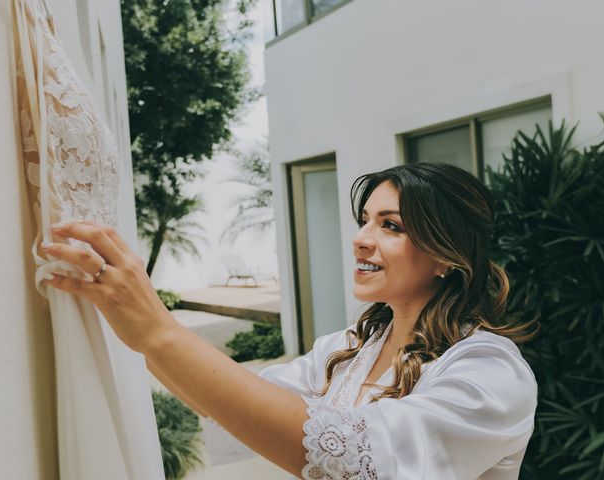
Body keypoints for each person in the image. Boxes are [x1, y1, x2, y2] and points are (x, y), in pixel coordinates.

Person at [40, 162, 539, 479]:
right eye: (364, 220)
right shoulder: (347, 348)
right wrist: (135, 332)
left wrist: (158, 330)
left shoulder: (487, 371)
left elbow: (358, 460)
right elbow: (227, 404)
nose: (362, 238)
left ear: (447, 256)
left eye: (391, 225)